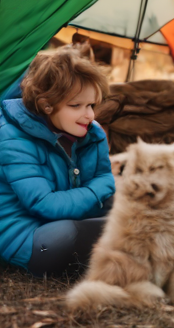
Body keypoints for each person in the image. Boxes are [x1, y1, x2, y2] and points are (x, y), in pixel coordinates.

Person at [0, 49, 115, 277]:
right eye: (76, 106)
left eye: (92, 105)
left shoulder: (93, 133)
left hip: (74, 217)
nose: (90, 115)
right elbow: (45, 204)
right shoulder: (11, 136)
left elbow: (106, 179)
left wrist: (104, 192)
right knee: (68, 234)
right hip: (27, 235)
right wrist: (96, 195)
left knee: (136, 207)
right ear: (47, 105)